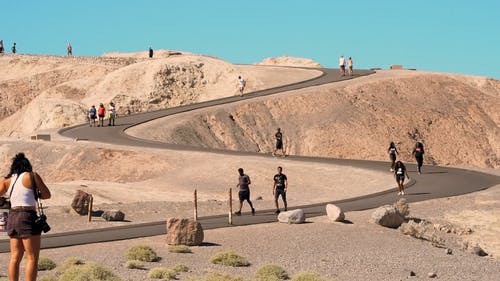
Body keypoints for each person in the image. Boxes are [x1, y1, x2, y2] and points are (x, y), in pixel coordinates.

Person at [0, 153, 51, 281]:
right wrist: (36, 193)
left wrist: (5, 202)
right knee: (32, 257)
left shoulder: (7, 181)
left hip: (13, 216)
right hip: (27, 216)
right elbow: (47, 195)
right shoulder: (32, 176)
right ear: (27, 166)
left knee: (15, 257)